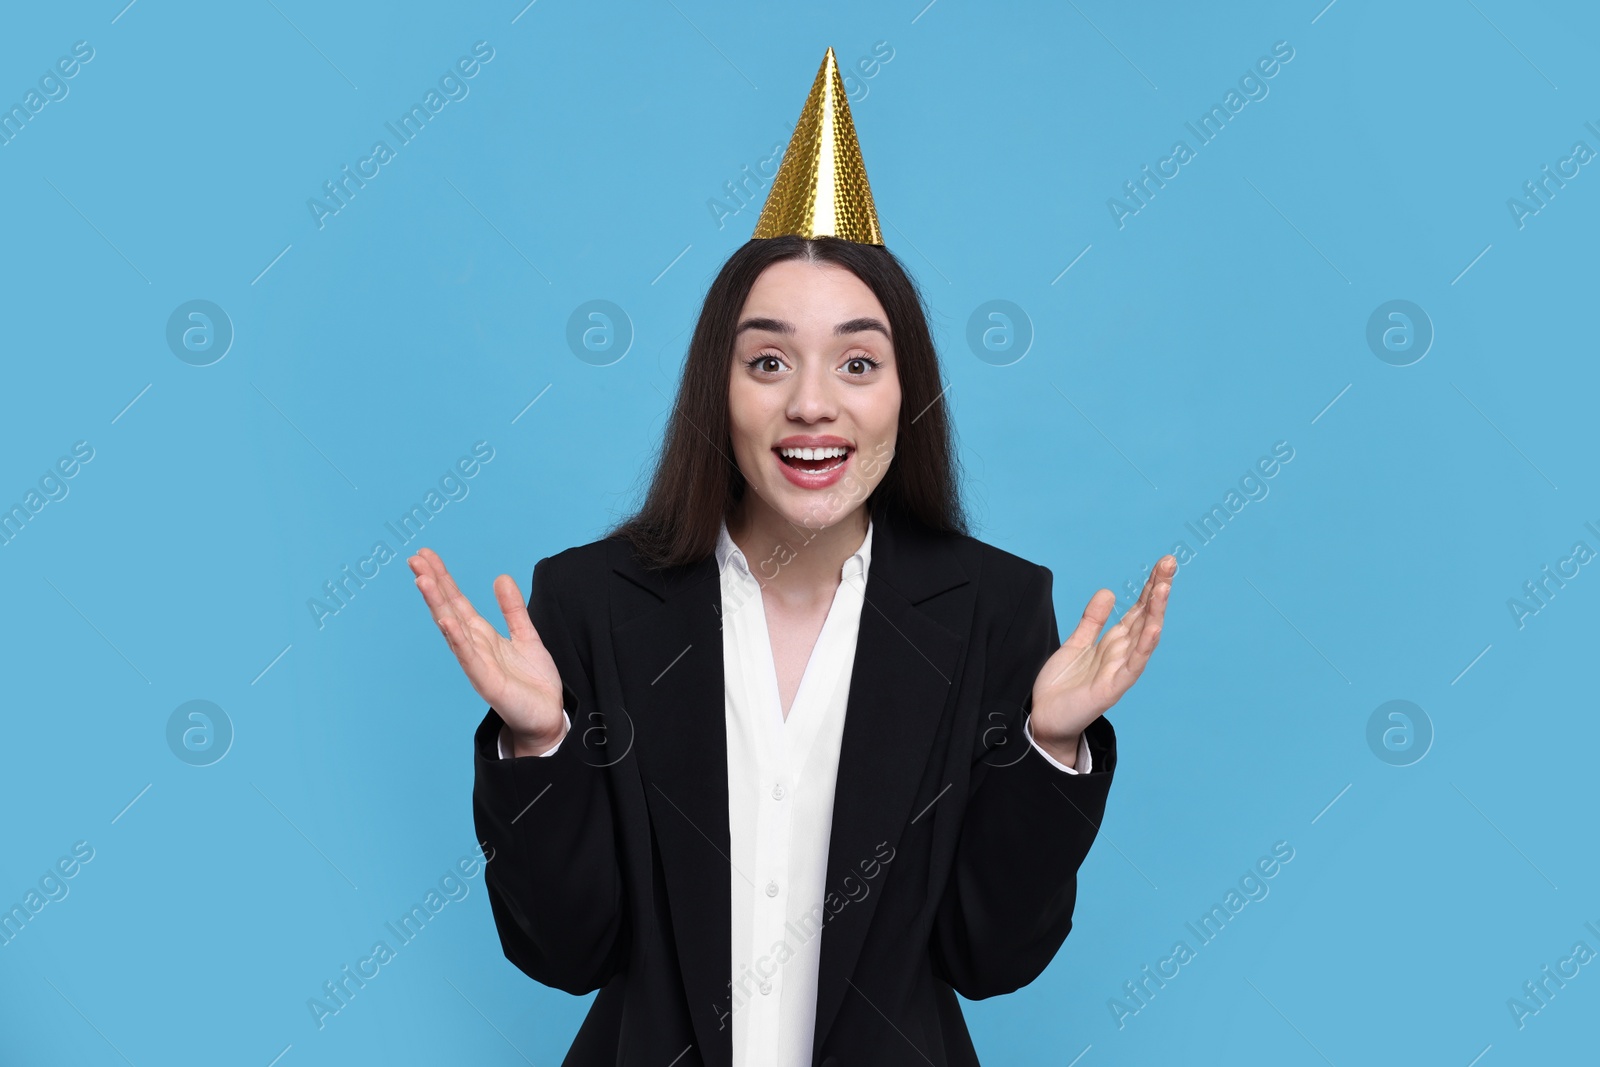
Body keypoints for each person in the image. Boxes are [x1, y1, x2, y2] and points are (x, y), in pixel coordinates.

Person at [408, 48, 1175, 1067]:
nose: (811, 402)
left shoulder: (995, 607)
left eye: (857, 361)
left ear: (907, 391)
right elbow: (565, 951)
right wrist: (540, 743)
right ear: (715, 391)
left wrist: (1048, 749)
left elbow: (990, 958)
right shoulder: (591, 600)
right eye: (767, 359)